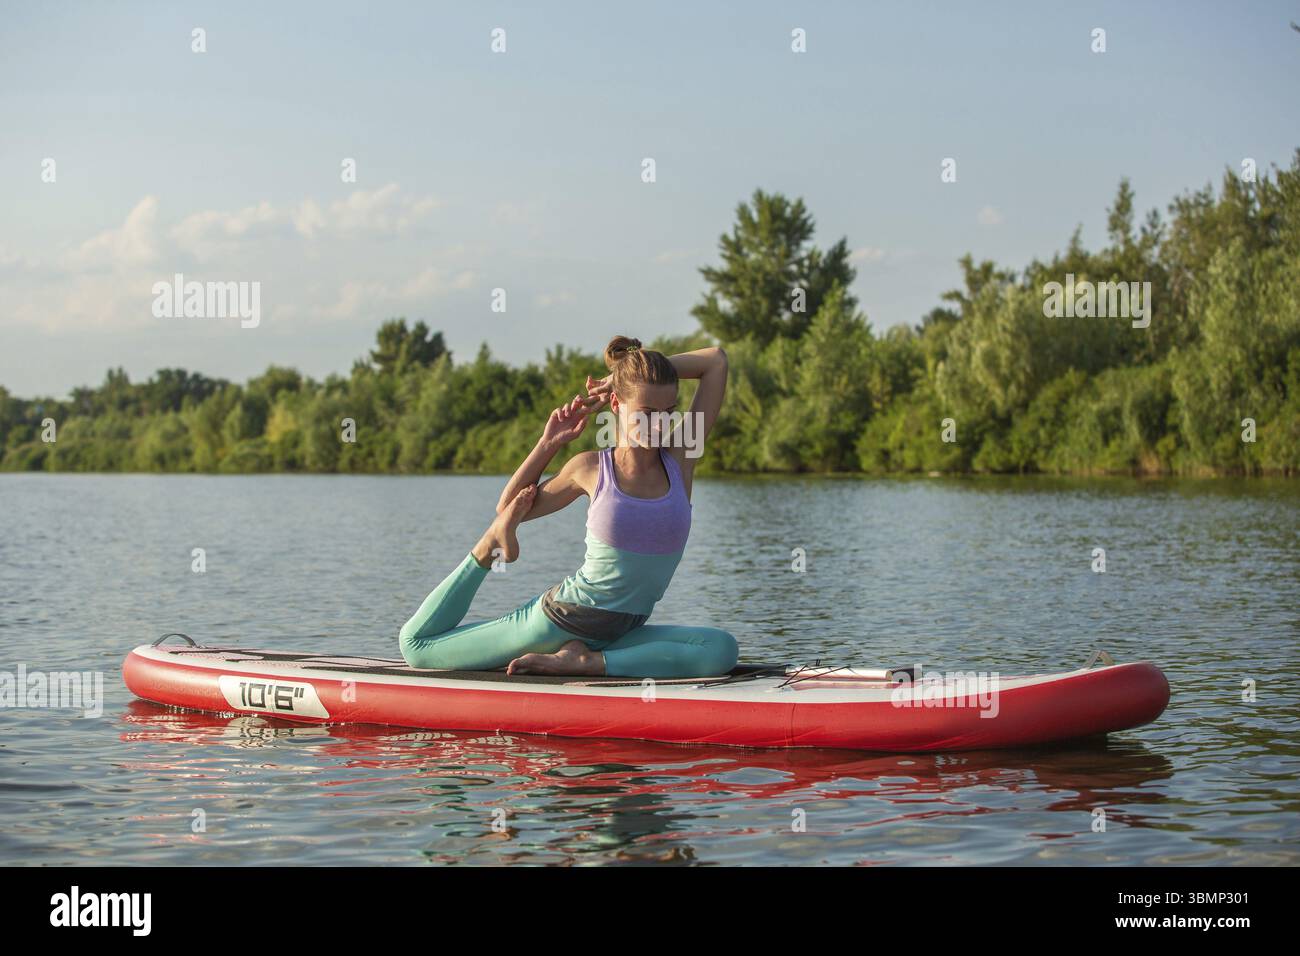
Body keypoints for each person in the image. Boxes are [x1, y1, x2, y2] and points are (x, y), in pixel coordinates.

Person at [398, 336, 737, 678]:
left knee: (721, 649)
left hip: (619, 633)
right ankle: (487, 548)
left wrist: (621, 373)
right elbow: (510, 507)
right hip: (561, 621)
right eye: (648, 413)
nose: (660, 423)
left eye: (669, 412)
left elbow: (716, 362)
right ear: (617, 405)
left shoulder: (681, 459)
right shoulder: (590, 469)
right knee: (417, 646)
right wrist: (548, 444)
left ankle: (588, 663)